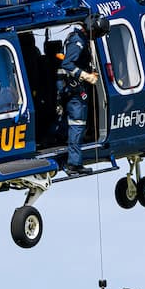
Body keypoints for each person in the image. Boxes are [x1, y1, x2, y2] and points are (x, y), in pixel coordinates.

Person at [55, 21, 99, 175]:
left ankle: (55, 142)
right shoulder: (78, 41)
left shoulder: (76, 38)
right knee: (77, 123)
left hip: (71, 88)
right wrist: (86, 76)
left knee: (68, 122)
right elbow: (67, 64)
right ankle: (74, 164)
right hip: (74, 90)